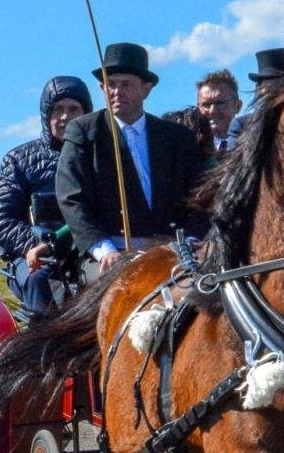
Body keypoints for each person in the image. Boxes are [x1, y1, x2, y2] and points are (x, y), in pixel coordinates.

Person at [55, 42, 208, 280]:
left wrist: (189, 242)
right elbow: (72, 199)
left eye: (125, 84)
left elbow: (200, 196)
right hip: (110, 254)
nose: (117, 92)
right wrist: (103, 250)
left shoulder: (177, 137)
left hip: (171, 252)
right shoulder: (84, 133)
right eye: (111, 85)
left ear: (146, 89)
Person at [0, 76, 94, 313]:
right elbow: (0, 219)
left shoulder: (101, 158)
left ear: (86, 113)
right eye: (58, 109)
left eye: (73, 109)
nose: (65, 117)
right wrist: (41, 246)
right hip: (35, 255)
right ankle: (41, 345)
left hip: (88, 250)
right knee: (42, 279)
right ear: (46, 115)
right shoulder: (18, 160)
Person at [196, 68, 243, 155]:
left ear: (237, 106)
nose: (212, 111)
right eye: (206, 105)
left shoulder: (253, 144)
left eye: (220, 103)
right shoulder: (192, 149)